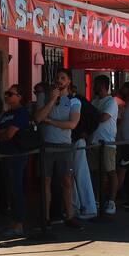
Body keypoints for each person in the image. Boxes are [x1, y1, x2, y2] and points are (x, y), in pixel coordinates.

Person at [34, 70, 82, 229]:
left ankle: (69, 215)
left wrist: (50, 121)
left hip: (64, 145)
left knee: (67, 180)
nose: (59, 81)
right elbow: (38, 118)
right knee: (45, 180)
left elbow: (72, 124)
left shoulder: (74, 101)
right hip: (47, 145)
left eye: (63, 78)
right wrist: (52, 99)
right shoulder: (44, 97)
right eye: (57, 78)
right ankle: (45, 216)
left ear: (68, 81)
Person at [0, 84, 30, 238]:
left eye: (11, 94)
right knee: (9, 188)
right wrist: (3, 133)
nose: (7, 96)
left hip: (16, 155)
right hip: (5, 154)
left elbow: (9, 134)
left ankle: (19, 223)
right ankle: (13, 221)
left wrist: (3, 134)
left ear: (19, 97)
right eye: (6, 93)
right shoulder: (5, 114)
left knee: (16, 187)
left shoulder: (22, 113)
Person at [65, 73, 97, 220]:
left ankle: (88, 207)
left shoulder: (78, 101)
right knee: (70, 175)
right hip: (68, 141)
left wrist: (86, 132)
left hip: (77, 140)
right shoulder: (61, 100)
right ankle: (76, 206)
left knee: (80, 172)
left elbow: (95, 116)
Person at [88, 75, 119, 215]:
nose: (93, 87)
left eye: (95, 84)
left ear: (102, 85)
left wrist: (93, 117)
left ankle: (112, 201)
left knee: (110, 171)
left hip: (107, 142)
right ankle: (96, 199)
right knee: (95, 172)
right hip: (93, 142)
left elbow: (103, 117)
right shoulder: (94, 102)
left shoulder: (111, 102)